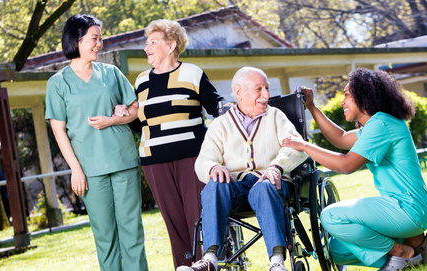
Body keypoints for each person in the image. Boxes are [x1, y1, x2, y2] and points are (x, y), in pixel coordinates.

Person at [282, 68, 427, 271]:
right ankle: (413, 249)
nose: (342, 102)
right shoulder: (376, 125)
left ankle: (402, 252)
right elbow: (340, 138)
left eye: (347, 95)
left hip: (408, 208)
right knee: (333, 251)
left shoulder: (381, 124)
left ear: (365, 96)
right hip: (403, 208)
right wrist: (311, 106)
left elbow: (346, 165)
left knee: (331, 216)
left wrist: (303, 146)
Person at [114, 19, 226, 268]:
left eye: (153, 42)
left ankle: (205, 265)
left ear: (171, 44)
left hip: (192, 156)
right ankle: (184, 266)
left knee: (197, 216)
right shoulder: (142, 81)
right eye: (146, 42)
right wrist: (125, 113)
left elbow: (215, 106)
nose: (146, 47)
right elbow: (141, 122)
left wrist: (235, 113)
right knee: (173, 221)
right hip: (154, 160)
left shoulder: (192, 73)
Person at [176, 67, 308, 271]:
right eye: (259, 89)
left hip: (270, 185)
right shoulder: (220, 125)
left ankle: (277, 263)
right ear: (239, 92)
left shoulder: (275, 116)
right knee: (214, 185)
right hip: (235, 189)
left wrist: (276, 167)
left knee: (264, 187)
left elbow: (298, 147)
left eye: (267, 88)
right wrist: (213, 167)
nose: (266, 95)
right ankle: (209, 260)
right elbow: (202, 162)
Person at [45, 14, 148, 271]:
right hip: (89, 170)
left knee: (132, 232)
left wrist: (112, 120)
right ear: (76, 40)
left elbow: (135, 110)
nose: (99, 44)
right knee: (105, 237)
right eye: (94, 38)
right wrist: (75, 169)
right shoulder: (57, 83)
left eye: (101, 39)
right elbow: (59, 131)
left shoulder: (111, 73)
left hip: (122, 160)